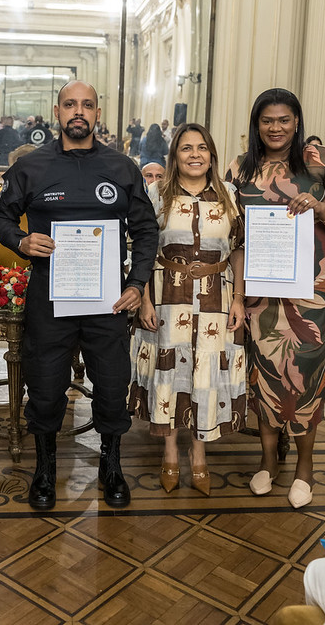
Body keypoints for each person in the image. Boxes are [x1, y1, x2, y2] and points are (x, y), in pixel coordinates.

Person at [0, 80, 159, 510]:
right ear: (57, 111)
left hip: (108, 301)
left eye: (86, 105)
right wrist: (23, 241)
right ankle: (45, 469)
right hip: (50, 299)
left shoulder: (123, 168)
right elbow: (0, 217)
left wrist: (137, 284)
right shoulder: (32, 167)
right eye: (70, 104)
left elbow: (144, 230)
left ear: (97, 113)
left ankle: (112, 463)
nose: (78, 112)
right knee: (45, 388)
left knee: (110, 385)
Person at [226, 88, 325, 508]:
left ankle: (305, 466)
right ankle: (267, 460)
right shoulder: (239, 169)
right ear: (257, 124)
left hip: (315, 292)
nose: (276, 128)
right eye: (268, 120)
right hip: (263, 291)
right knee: (265, 371)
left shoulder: (323, 161)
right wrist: (238, 291)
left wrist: (320, 209)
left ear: (297, 122)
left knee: (307, 374)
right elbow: (234, 235)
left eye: (284, 119)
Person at [130, 123, 246, 496]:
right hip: (167, 297)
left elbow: (239, 250)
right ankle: (169, 451)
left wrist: (240, 299)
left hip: (216, 299)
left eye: (201, 148)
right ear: (174, 155)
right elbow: (142, 249)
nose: (195, 154)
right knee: (170, 372)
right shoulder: (155, 194)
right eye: (186, 148)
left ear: (211, 153)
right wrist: (144, 298)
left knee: (205, 376)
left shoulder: (229, 195)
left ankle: (199, 455)